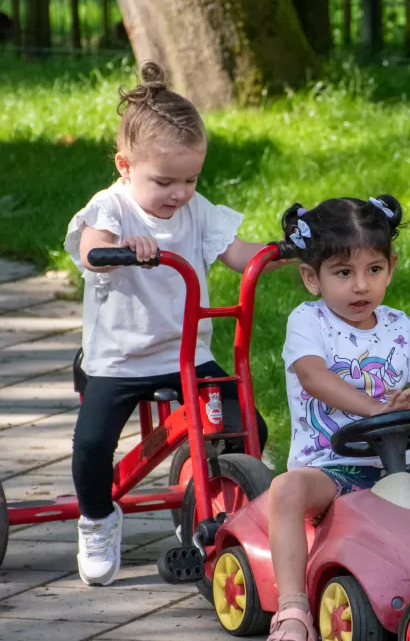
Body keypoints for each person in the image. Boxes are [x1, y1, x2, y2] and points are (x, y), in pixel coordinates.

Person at [65, 61, 284, 588]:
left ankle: (218, 505)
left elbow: (237, 254)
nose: (179, 193)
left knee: (248, 424)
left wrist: (287, 251)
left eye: (190, 179)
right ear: (124, 166)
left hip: (187, 353)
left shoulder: (196, 209)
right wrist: (122, 247)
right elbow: (92, 250)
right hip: (120, 360)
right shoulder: (111, 208)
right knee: (91, 445)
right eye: (164, 181)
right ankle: (97, 518)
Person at [265, 194, 410, 641]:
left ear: (391, 267)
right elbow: (314, 376)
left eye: (374, 269)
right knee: (286, 489)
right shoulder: (308, 321)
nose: (361, 285)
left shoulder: (399, 326)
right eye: (343, 272)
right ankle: (293, 610)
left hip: (405, 464)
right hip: (333, 469)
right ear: (311, 277)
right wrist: (375, 410)